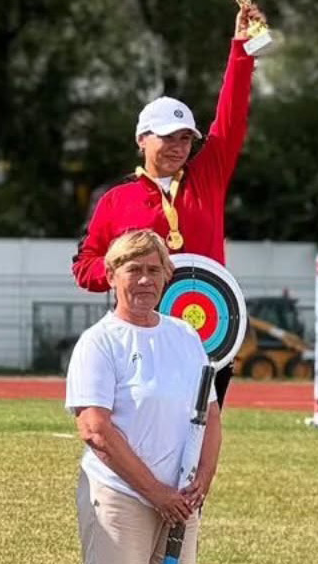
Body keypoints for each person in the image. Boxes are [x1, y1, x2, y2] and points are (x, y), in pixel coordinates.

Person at [70, 4, 265, 403]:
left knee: (199, 437)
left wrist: (241, 48)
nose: (178, 147)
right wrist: (122, 270)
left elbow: (231, 117)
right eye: (167, 137)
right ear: (142, 138)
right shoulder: (114, 200)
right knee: (140, 430)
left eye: (185, 139)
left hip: (205, 330)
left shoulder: (207, 177)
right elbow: (84, 266)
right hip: (139, 333)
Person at [67, 230, 224, 564]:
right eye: (133, 270)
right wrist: (155, 493)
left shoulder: (184, 335)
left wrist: (203, 479)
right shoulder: (99, 342)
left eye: (154, 270)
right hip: (120, 497)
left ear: (167, 276)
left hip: (180, 501)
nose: (144, 280)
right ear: (111, 276)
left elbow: (209, 412)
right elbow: (95, 430)